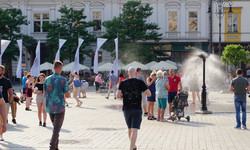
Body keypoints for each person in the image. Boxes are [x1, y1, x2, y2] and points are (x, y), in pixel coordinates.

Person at [117, 67, 151, 150]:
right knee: (134, 129)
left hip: (126, 108)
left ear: (128, 74)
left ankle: (133, 146)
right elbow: (149, 94)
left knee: (129, 128)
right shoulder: (140, 82)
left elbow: (117, 96)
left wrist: (124, 95)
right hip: (136, 108)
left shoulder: (122, 82)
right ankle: (131, 147)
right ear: (136, 73)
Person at [44, 60, 70, 150]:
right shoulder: (63, 80)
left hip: (50, 107)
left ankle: (56, 147)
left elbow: (44, 94)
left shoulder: (46, 79)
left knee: (56, 128)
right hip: (59, 107)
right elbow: (67, 94)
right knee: (56, 129)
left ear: (53, 68)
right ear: (60, 68)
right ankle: (52, 146)